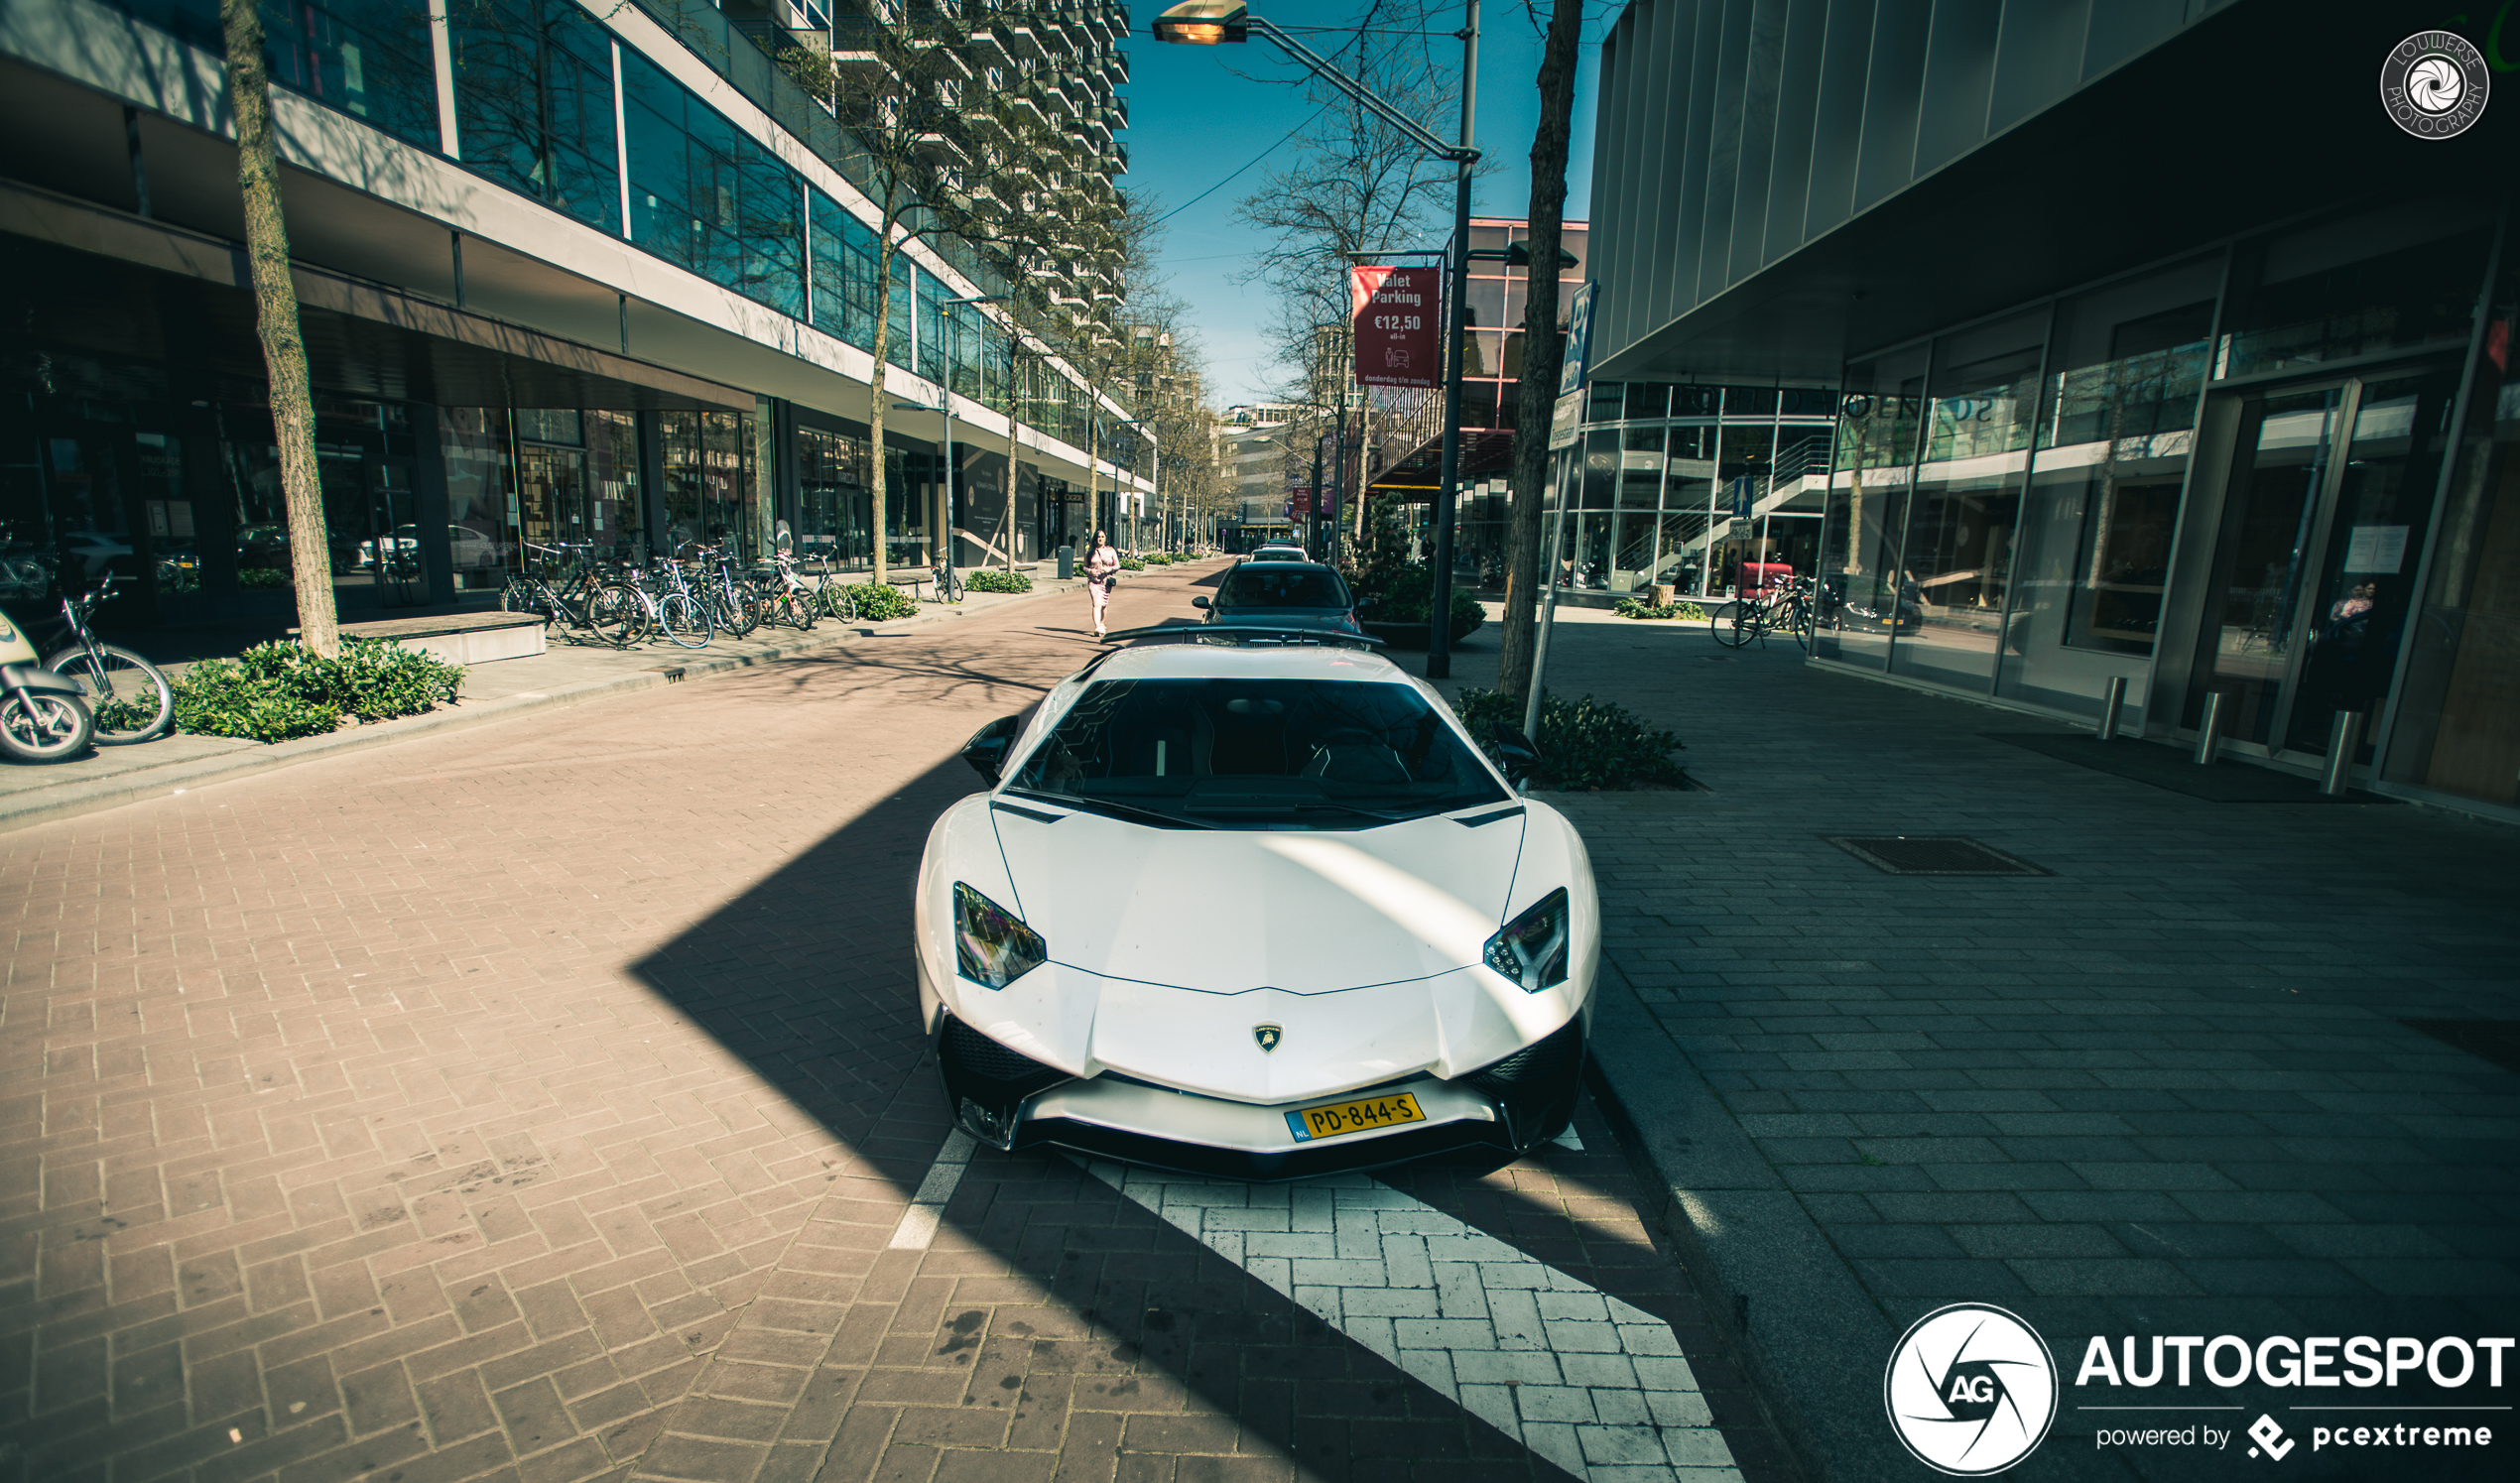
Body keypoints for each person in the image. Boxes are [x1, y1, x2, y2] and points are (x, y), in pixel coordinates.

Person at [1084, 529, 1121, 639]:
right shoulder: (1090, 551)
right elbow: (1084, 566)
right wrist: (1091, 571)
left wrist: (1108, 569)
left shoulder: (1111, 551)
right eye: (1098, 537)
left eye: (1102, 537)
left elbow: (1117, 565)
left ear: (1105, 538)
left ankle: (1101, 623)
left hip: (1106, 582)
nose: (1100, 539)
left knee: (1104, 605)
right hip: (1093, 581)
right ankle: (1097, 627)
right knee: (1096, 603)